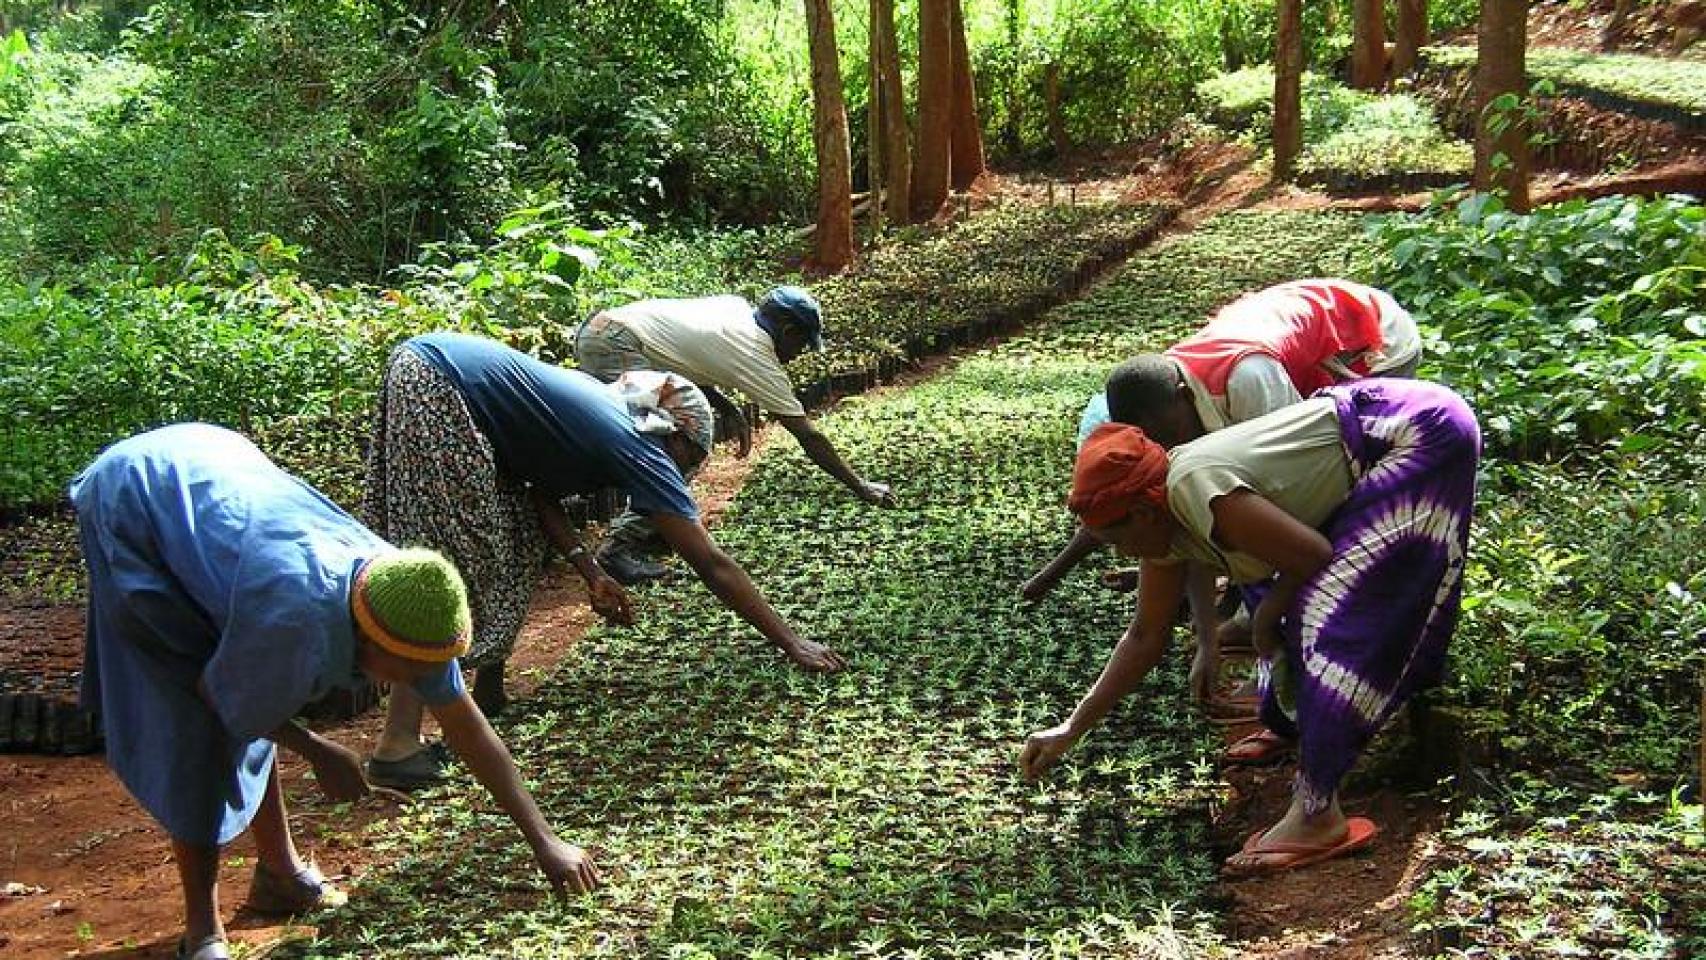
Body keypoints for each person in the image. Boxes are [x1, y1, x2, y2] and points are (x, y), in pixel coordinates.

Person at [70, 424, 600, 960]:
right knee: (194, 718)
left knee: (258, 692)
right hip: (136, 497)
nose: (414, 684)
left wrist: (545, 841)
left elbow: (467, 725)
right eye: (409, 671)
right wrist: (318, 750)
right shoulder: (294, 616)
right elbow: (218, 699)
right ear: (371, 640)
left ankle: (280, 873)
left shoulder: (408, 599)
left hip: (216, 469)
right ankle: (203, 929)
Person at [1018, 378, 1479, 876]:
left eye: (1118, 538)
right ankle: (1298, 728)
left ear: (1143, 511)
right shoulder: (1160, 523)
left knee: (1327, 618)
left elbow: (1311, 556)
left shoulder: (1193, 487)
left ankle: (1317, 812)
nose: (1123, 554)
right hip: (1378, 440)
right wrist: (1071, 728)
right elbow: (1145, 636)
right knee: (1283, 607)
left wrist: (1266, 614)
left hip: (1414, 433)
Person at [363, 331, 845, 789]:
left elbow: (538, 501)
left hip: (430, 373)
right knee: (458, 559)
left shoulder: (602, 414)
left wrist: (591, 573)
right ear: (676, 433)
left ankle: (487, 689)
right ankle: (398, 746)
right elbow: (710, 562)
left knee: (511, 538)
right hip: (439, 387)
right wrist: (791, 641)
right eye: (688, 457)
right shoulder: (635, 443)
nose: (684, 469)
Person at [1020, 279, 1422, 705]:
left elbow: (1302, 492)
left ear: (1181, 397)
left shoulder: (1247, 380)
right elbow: (1195, 532)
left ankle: (1331, 671)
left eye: (1169, 434)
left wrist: (1268, 610)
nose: (1170, 450)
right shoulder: (1168, 401)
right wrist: (1207, 635)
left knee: (1333, 507)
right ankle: (1271, 642)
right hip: (1300, 353)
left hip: (1376, 343)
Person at [574, 286, 893, 584]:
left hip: (603, 331)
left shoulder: (736, 309)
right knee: (676, 445)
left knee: (680, 437)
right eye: (801, 344)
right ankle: (618, 549)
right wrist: (860, 486)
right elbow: (807, 435)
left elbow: (685, 352)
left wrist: (722, 403)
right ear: (788, 332)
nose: (800, 354)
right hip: (616, 346)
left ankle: (657, 527)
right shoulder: (755, 352)